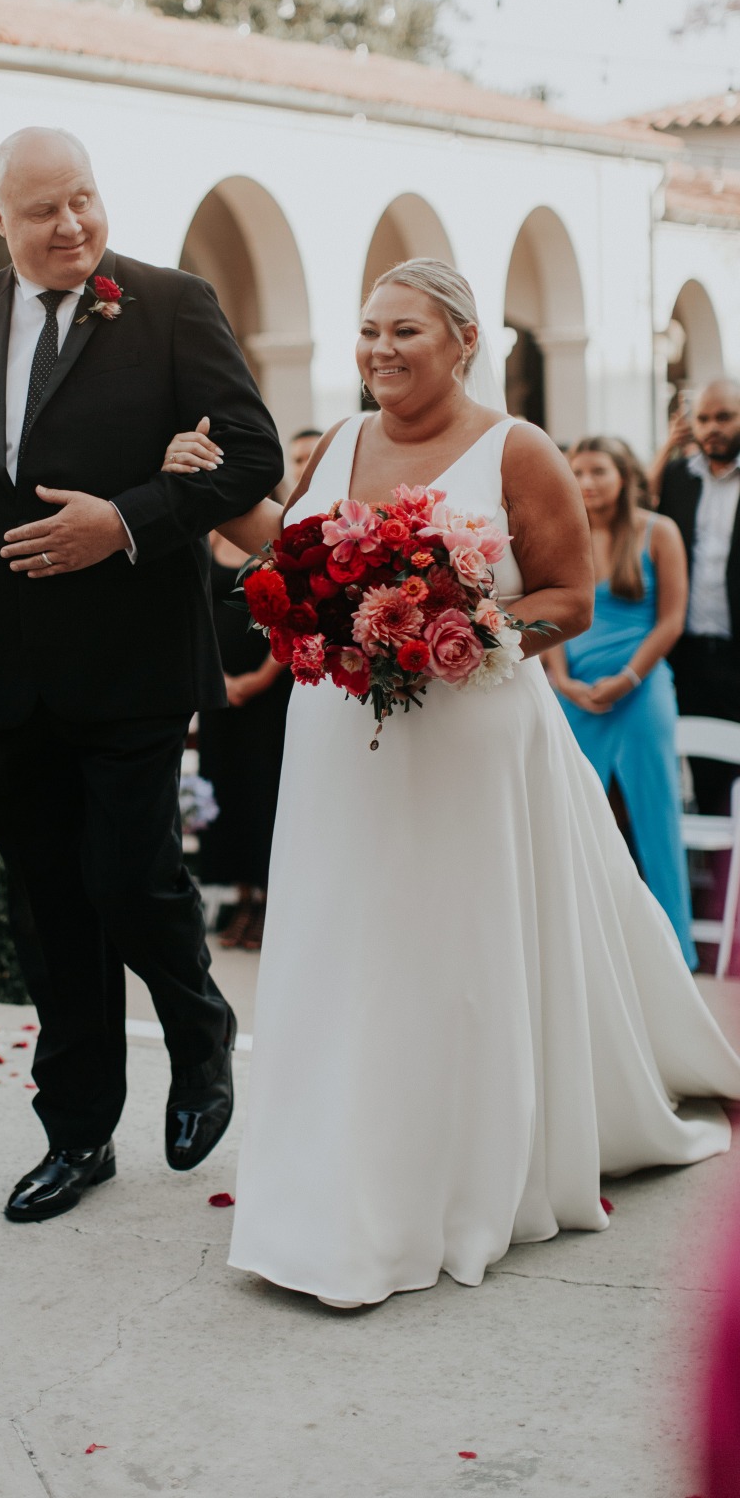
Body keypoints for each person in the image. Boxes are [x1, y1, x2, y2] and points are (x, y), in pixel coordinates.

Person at [161, 258, 740, 1309]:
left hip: (472, 735)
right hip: (339, 736)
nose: (379, 350)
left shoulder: (518, 451)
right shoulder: (337, 442)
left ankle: (462, 1171)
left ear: (465, 340)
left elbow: (565, 593)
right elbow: (283, 557)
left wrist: (466, 629)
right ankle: (333, 1173)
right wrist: (207, 489)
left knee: (452, 952)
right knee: (345, 943)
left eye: (406, 333)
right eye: (367, 330)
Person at [0, 127, 282, 1224]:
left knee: (129, 877)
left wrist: (131, 521)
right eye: (45, 210)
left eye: (85, 201)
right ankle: (79, 1135)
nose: (71, 227)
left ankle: (201, 1037)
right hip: (0, 671)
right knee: (49, 910)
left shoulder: (170, 303)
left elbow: (254, 457)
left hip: (134, 660)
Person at [543, 437, 695, 966]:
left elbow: (673, 618)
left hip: (642, 686)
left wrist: (629, 679)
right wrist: (561, 681)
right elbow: (552, 618)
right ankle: (581, 949)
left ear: (624, 475)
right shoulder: (564, 536)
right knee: (569, 816)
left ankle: (673, 952)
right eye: (577, 472)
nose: (586, 482)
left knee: (655, 814)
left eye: (597, 471)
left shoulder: (660, 533)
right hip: (575, 689)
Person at [196, 529, 290, 949]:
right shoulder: (209, 538)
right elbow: (195, 613)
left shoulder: (276, 537)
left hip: (268, 697)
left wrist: (256, 680)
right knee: (224, 790)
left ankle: (267, 902)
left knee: (262, 791)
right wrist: (216, 678)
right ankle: (241, 898)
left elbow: (293, 619)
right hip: (218, 693)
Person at [657, 379, 740, 817]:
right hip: (689, 653)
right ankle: (717, 881)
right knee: (707, 771)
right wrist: (667, 447)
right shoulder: (677, 477)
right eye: (704, 419)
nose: (712, 428)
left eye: (724, 417)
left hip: (736, 646)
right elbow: (638, 506)